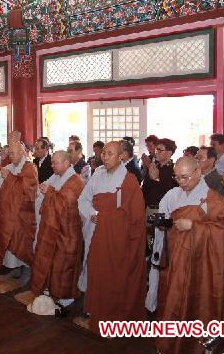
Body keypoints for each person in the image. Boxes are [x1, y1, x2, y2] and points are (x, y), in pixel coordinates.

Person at [147, 157, 224, 354]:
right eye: (177, 178)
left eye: (185, 177)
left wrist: (194, 226)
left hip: (201, 265)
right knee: (171, 302)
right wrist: (162, 223)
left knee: (197, 305)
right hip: (175, 261)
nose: (181, 182)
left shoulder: (212, 199)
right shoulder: (172, 195)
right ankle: (169, 344)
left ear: (198, 172)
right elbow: (163, 220)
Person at [75, 141, 147, 334]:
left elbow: (136, 215)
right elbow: (83, 199)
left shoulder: (129, 180)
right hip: (95, 229)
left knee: (113, 272)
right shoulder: (97, 175)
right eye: (104, 153)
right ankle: (95, 308)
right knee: (94, 268)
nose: (105, 157)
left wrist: (108, 219)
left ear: (121, 156)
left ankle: (112, 313)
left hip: (117, 237)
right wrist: (92, 214)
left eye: (110, 153)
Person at [31, 151, 84, 308]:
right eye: (52, 162)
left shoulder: (76, 181)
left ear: (67, 163)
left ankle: (67, 296)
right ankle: (53, 289)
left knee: (65, 264)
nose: (52, 165)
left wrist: (49, 192)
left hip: (68, 231)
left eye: (55, 162)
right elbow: (49, 193)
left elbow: (65, 203)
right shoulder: (56, 177)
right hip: (53, 228)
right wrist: (43, 190)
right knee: (53, 261)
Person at [0, 142, 38, 284]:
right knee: (11, 241)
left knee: (23, 242)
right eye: (9, 153)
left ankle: (27, 269)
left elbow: (29, 189)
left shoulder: (30, 167)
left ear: (22, 152)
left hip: (23, 213)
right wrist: (7, 179)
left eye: (13, 153)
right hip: (8, 212)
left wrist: (10, 179)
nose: (10, 156)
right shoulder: (8, 167)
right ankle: (15, 267)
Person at [141, 138, 178, 215]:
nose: (156, 152)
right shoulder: (155, 165)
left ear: (169, 153)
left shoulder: (174, 169)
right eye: (156, 150)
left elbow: (168, 191)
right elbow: (145, 186)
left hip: (162, 209)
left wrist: (156, 178)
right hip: (147, 205)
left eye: (160, 150)